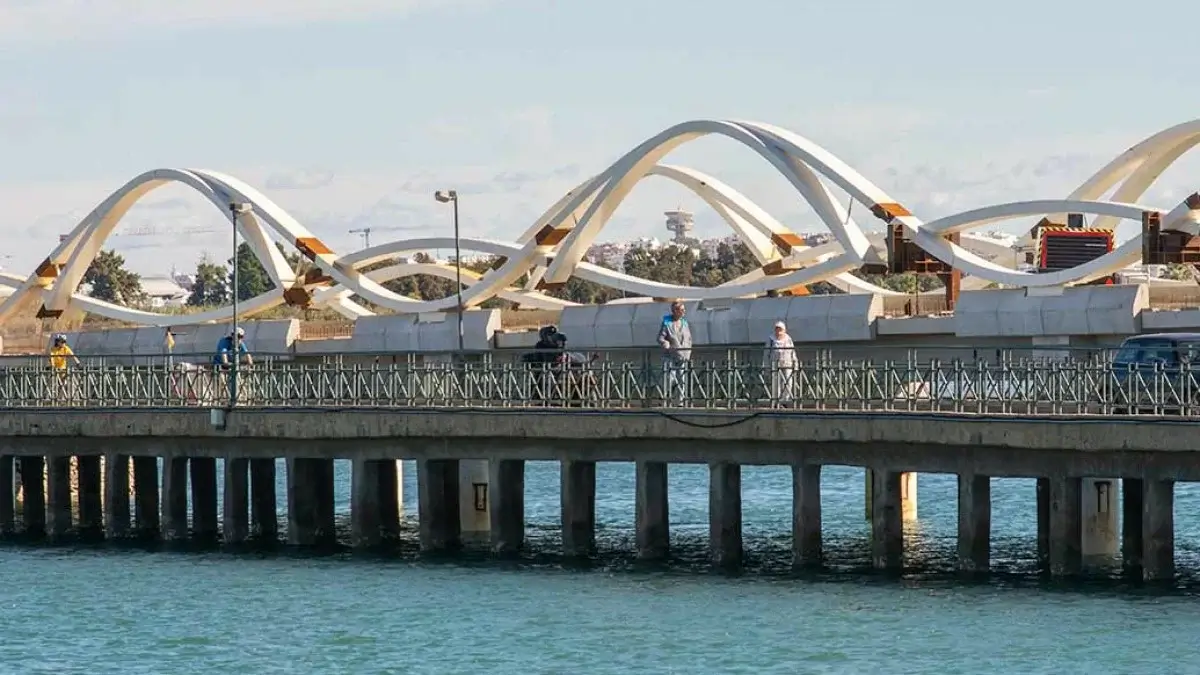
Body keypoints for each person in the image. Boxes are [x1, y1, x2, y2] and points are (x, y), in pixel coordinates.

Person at [657, 301, 692, 405]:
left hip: (683, 354)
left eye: (684, 309)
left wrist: (689, 350)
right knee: (670, 378)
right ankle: (665, 397)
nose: (684, 311)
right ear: (675, 311)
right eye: (682, 310)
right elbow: (660, 337)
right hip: (670, 355)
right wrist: (665, 342)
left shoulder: (685, 323)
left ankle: (680, 401)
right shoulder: (667, 323)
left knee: (682, 378)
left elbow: (689, 338)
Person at [764, 320, 797, 406]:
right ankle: (776, 400)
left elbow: (792, 351)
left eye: (780, 329)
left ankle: (785, 400)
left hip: (787, 363)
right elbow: (766, 353)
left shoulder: (788, 339)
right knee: (776, 383)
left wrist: (795, 363)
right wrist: (766, 366)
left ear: (784, 330)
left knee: (788, 382)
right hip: (775, 364)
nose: (778, 331)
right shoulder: (771, 339)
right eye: (777, 329)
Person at [48, 333, 81, 402]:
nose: (63, 343)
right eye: (62, 341)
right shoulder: (53, 349)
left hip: (63, 369)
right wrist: (53, 367)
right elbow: (52, 358)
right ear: (58, 342)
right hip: (55, 369)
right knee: (53, 385)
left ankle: (62, 398)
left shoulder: (65, 348)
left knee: (63, 384)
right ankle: (52, 399)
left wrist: (77, 362)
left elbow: (72, 355)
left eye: (64, 342)